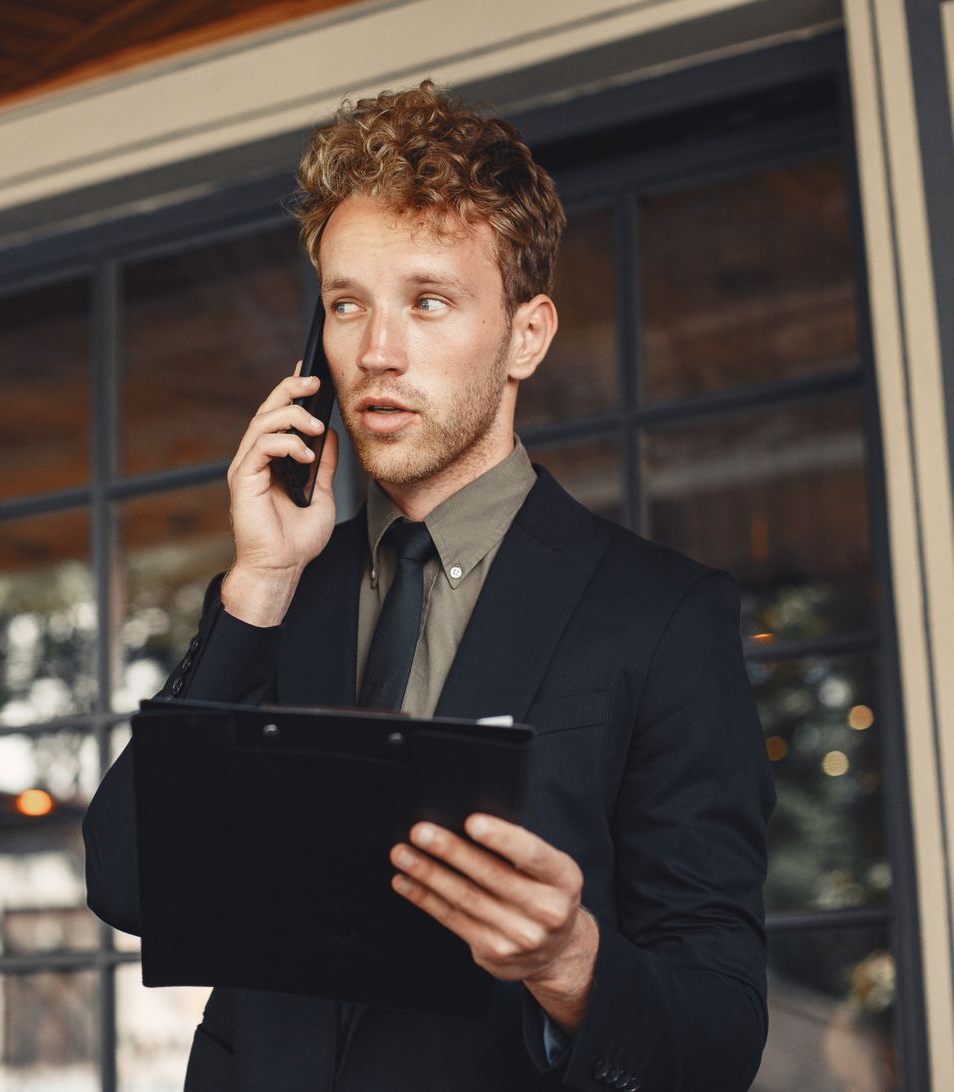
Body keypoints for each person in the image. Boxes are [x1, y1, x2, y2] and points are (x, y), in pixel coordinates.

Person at [84, 80, 775, 1092]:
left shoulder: (662, 617)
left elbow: (718, 1036)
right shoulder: (275, 592)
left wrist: (565, 962)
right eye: (346, 305)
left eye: (429, 301)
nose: (377, 353)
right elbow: (128, 880)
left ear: (526, 337)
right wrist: (259, 586)